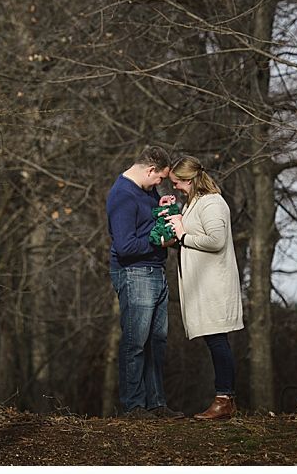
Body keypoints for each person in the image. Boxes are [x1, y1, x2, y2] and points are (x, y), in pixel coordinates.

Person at [106, 146, 184, 419]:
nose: (160, 184)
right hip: (134, 274)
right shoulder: (122, 196)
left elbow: (145, 222)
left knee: (157, 342)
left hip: (156, 271)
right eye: (160, 178)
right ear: (150, 170)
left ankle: (156, 403)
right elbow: (125, 246)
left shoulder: (147, 192)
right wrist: (157, 239)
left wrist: (158, 210)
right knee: (135, 343)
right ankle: (134, 406)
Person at [165, 155, 244, 420]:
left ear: (188, 180)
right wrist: (176, 237)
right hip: (203, 285)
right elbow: (190, 239)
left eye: (177, 182)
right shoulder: (194, 204)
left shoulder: (212, 203)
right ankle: (225, 399)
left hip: (215, 285)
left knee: (218, 340)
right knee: (215, 340)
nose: (174, 186)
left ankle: (224, 399)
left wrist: (183, 236)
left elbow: (215, 241)